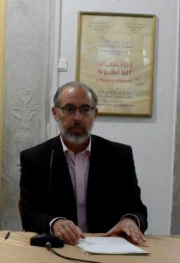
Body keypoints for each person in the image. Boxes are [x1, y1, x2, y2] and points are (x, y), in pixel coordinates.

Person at [19, 81, 147, 244]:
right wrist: (54, 223)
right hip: (60, 246)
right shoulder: (35, 158)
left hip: (107, 245)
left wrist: (130, 220)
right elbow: (30, 214)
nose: (78, 118)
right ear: (55, 113)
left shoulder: (119, 155)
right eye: (69, 109)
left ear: (95, 114)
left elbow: (137, 209)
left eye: (85, 110)